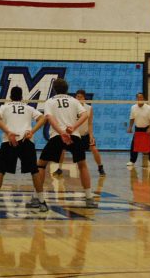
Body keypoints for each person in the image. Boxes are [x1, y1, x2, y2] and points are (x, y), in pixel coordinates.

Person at [33, 78, 97, 209]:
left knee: (41, 165)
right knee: (82, 165)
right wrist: (73, 127)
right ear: (67, 89)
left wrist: (62, 132)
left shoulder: (50, 101)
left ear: (54, 89)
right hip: (74, 135)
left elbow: (49, 118)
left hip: (57, 136)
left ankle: (36, 197)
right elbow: (85, 115)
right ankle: (89, 197)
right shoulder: (74, 100)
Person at [0, 86, 46, 214]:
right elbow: (43, 118)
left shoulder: (5, 107)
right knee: (34, 172)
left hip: (9, 141)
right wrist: (32, 131)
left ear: (10, 97)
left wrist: (8, 131)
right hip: (26, 140)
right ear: (22, 97)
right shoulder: (29, 107)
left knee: (0, 171)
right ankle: (42, 202)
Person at [57, 90, 105, 176]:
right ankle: (59, 168)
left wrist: (91, 136)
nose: (78, 98)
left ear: (84, 98)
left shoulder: (89, 108)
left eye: (80, 97)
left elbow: (90, 123)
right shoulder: (71, 108)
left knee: (94, 149)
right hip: (74, 135)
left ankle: (100, 167)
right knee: (62, 149)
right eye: (77, 97)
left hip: (85, 135)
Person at [127, 92, 150, 169]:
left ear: (143, 99)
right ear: (136, 99)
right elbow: (132, 118)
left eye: (141, 97)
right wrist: (130, 127)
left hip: (147, 128)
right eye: (138, 98)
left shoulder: (149, 108)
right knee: (134, 144)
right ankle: (132, 161)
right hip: (138, 128)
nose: (140, 99)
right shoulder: (133, 107)